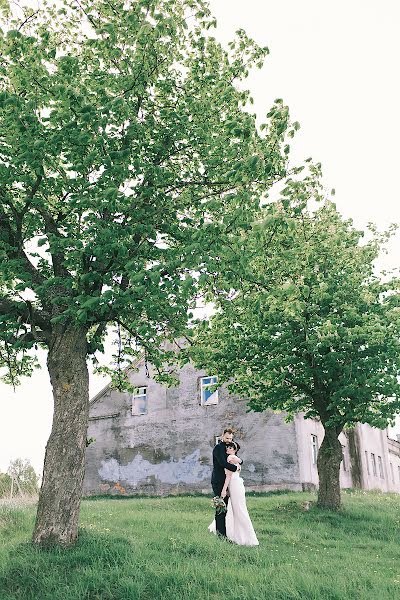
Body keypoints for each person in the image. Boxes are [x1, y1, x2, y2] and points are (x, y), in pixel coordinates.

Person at [209, 440, 259, 546]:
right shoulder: (236, 459)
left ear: (235, 450)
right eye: (228, 447)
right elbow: (239, 464)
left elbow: (228, 476)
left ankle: (245, 536)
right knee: (235, 509)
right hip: (237, 485)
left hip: (234, 486)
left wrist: (223, 490)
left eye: (230, 448)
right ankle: (237, 533)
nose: (228, 449)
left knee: (238, 510)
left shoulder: (230, 459)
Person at [210, 428, 242, 539]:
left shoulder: (229, 446)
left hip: (227, 481)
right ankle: (221, 536)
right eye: (227, 438)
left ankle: (224, 533)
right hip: (218, 481)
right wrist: (236, 467)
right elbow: (223, 463)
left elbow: (237, 454)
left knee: (226, 508)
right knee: (220, 508)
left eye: (231, 438)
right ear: (222, 435)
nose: (229, 440)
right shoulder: (218, 448)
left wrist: (240, 461)